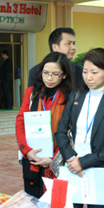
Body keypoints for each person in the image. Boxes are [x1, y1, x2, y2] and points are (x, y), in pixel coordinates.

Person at [55, 48, 104, 208]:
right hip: (72, 168)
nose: (88, 77)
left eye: (95, 72)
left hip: (101, 170)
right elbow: (61, 131)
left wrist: (83, 162)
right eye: (85, 71)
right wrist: (72, 158)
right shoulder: (76, 95)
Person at [16, 52, 75, 198]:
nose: (49, 78)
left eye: (55, 74)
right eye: (46, 73)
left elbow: (70, 132)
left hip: (57, 161)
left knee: (55, 206)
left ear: (64, 75)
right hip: (31, 157)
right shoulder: (32, 93)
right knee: (33, 203)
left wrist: (54, 159)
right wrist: (27, 150)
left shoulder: (71, 97)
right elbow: (20, 121)